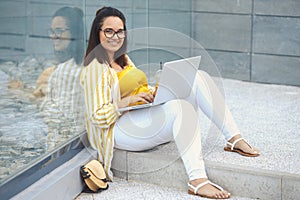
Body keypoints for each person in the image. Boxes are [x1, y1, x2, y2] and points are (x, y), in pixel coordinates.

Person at [80, 7, 260, 199]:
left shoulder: (122, 59)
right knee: (181, 108)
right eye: (109, 31)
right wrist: (126, 102)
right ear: (97, 33)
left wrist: (155, 92)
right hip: (117, 131)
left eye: (120, 31)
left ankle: (234, 138)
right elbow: (97, 117)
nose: (115, 36)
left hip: (139, 117)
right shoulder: (94, 69)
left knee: (199, 77)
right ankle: (197, 180)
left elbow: (135, 88)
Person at [36, 6, 85, 150]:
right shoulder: (87, 63)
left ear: (74, 33)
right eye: (52, 31)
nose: (54, 36)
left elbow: (58, 119)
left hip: (63, 147)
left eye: (59, 31)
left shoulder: (67, 71)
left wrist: (41, 104)